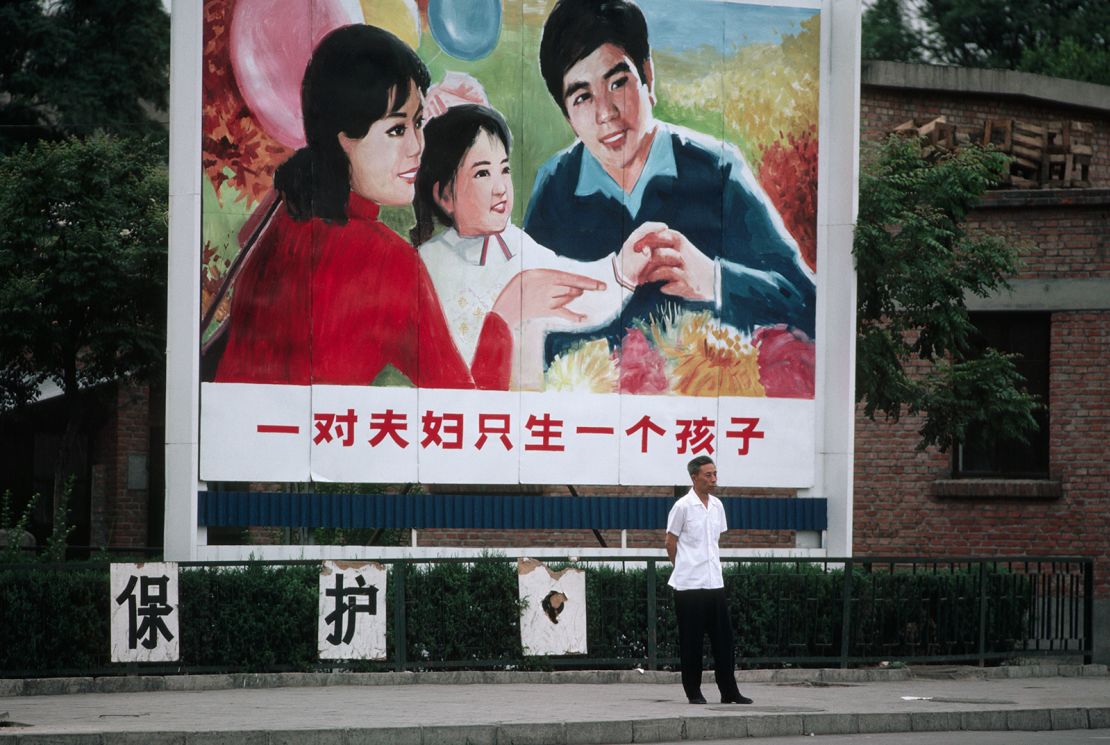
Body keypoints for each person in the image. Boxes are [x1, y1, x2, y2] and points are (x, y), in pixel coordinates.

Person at [214, 25, 560, 389]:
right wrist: (503, 317)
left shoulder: (284, 213)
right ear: (344, 136)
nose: (417, 146)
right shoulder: (389, 263)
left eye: (419, 123)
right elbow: (463, 410)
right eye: (397, 130)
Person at [525, 0, 816, 364]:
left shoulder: (716, 169)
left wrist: (714, 280)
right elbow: (525, 316)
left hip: (695, 408)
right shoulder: (555, 186)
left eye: (617, 83)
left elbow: (810, 303)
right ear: (568, 116)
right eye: (582, 97)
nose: (605, 114)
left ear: (648, 75)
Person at [411, 101, 657, 389]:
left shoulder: (517, 246)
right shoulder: (427, 263)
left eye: (504, 170)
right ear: (444, 196)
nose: (501, 187)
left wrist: (625, 269)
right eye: (482, 174)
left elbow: (579, 293)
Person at [666, 455, 752, 705]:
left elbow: (714, 541)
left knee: (724, 641)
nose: (713, 479)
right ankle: (694, 692)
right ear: (694, 477)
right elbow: (670, 542)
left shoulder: (717, 506)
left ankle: (729, 691)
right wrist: (682, 565)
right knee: (691, 642)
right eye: (708, 475)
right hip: (689, 586)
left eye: (715, 474)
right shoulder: (682, 506)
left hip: (715, 582)